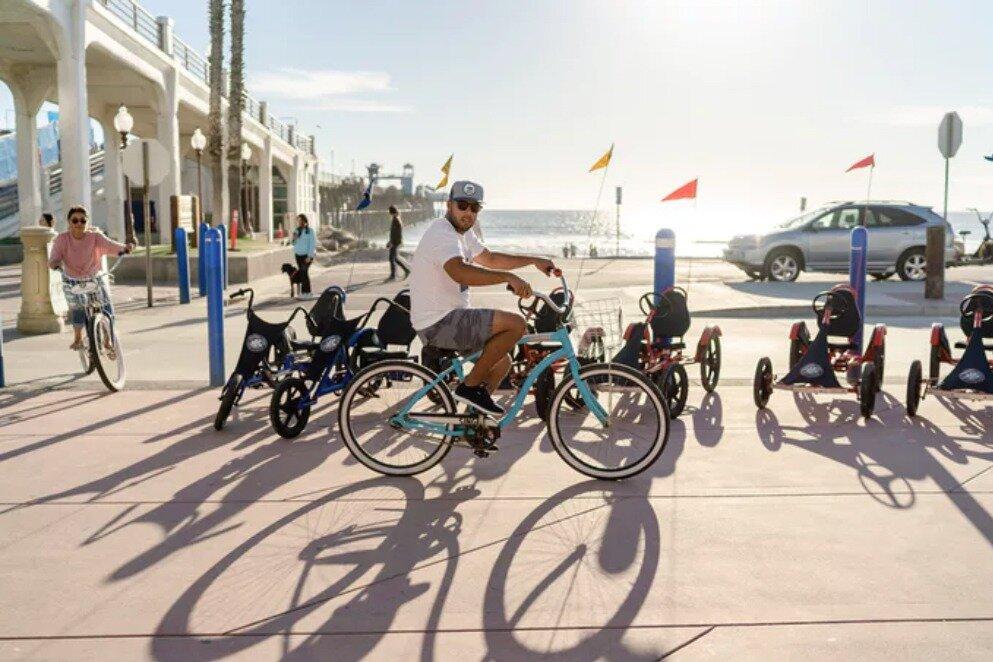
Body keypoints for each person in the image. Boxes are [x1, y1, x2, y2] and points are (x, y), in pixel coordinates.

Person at [410, 180, 556, 415]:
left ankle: (473, 421)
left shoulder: (462, 233)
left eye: (474, 208)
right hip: (439, 322)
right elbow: (458, 271)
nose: (468, 212)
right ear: (449, 205)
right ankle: (468, 389)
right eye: (462, 205)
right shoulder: (442, 233)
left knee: (502, 363)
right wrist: (508, 278)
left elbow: (490, 259)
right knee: (516, 324)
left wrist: (533, 260)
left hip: (450, 318)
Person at [48, 205, 133, 351]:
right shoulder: (62, 240)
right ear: (69, 222)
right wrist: (55, 264)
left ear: (87, 222)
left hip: (94, 277)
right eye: (75, 221)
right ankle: (78, 338)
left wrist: (125, 248)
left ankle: (108, 339)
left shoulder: (95, 237)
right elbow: (53, 259)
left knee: (106, 307)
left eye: (83, 220)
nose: (79, 224)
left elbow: (111, 245)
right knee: (78, 308)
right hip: (72, 279)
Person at [292, 213, 316, 299]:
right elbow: (294, 243)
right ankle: (304, 293)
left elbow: (312, 244)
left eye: (301, 221)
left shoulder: (310, 231)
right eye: (298, 221)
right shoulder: (296, 231)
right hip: (298, 255)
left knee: (304, 272)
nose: (299, 222)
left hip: (307, 256)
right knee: (303, 273)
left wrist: (309, 256)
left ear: (305, 221)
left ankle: (308, 293)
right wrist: (294, 238)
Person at [386, 205, 411, 280]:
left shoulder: (396, 220)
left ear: (391, 212)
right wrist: (390, 241)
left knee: (392, 258)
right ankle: (406, 271)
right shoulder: (396, 218)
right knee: (395, 258)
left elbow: (396, 233)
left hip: (395, 242)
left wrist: (392, 242)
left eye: (389, 212)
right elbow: (394, 233)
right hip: (395, 241)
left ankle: (393, 275)